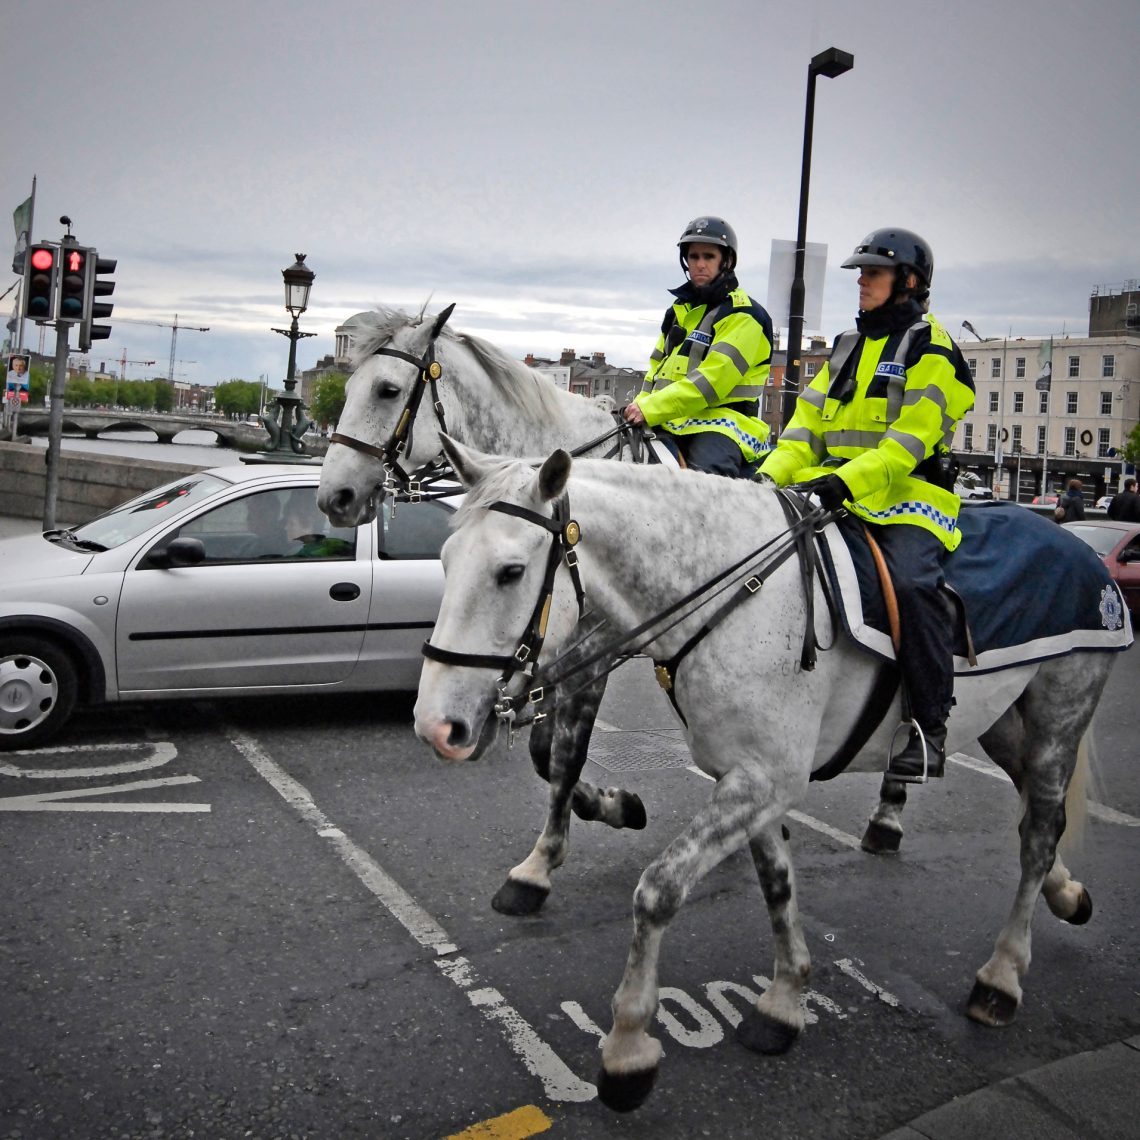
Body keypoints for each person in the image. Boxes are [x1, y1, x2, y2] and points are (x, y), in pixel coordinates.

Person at [757, 227, 975, 782]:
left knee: (912, 586)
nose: (862, 283)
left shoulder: (933, 349)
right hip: (833, 489)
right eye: (860, 273)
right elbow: (803, 431)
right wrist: (764, 480)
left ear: (909, 282)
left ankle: (929, 727)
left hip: (907, 499)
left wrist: (847, 481)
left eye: (874, 273)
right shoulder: (846, 346)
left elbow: (909, 441)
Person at [622, 216, 773, 476]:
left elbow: (712, 380)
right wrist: (640, 405)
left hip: (725, 424)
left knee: (704, 480)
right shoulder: (678, 311)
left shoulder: (744, 314)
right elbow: (655, 373)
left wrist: (651, 409)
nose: (700, 264)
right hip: (672, 419)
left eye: (709, 256)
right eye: (694, 257)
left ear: (727, 261)